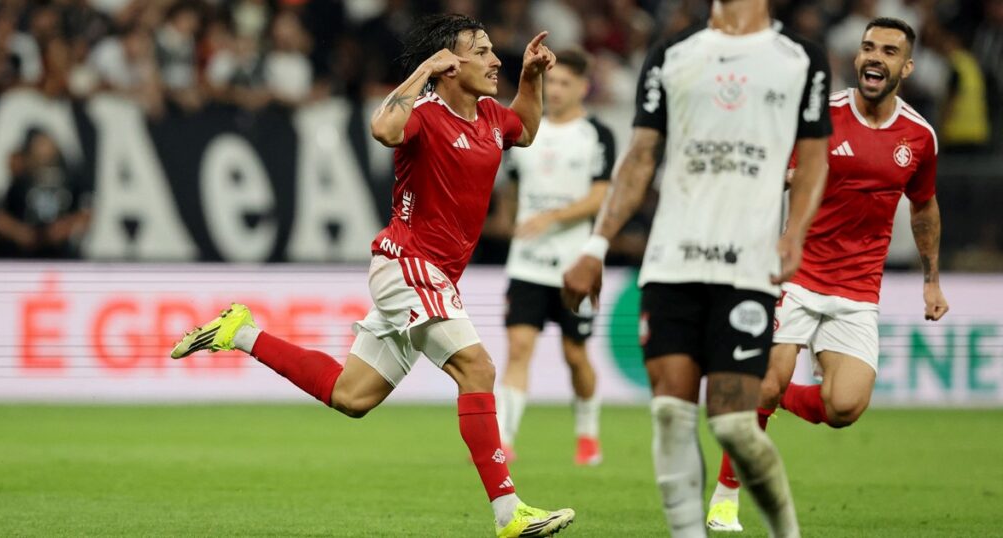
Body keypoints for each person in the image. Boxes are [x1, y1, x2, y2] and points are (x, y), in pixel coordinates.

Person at [170, 14, 575, 538]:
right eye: (480, 51)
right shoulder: (425, 113)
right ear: (450, 66)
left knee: (352, 396)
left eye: (493, 50)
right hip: (408, 264)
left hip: (434, 277)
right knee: (477, 370)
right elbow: (382, 127)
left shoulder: (493, 118)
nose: (495, 59)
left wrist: (532, 77)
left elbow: (528, 127)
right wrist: (424, 69)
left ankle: (240, 331)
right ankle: (508, 512)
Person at [562, 0, 832, 536]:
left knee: (734, 423)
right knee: (669, 415)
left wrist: (794, 234)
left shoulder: (801, 59)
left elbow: (814, 157)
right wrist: (596, 245)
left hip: (746, 267)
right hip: (672, 260)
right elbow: (641, 155)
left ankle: (786, 532)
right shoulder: (672, 54)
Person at [705, 17, 949, 532]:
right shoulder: (819, 117)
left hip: (858, 289)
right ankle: (726, 496)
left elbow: (923, 206)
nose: (873, 57)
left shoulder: (918, 137)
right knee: (768, 379)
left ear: (906, 66)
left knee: (843, 408)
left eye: (887, 50)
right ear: (857, 57)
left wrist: (931, 278)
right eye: (867, 48)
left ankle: (762, 394)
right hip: (795, 273)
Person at [495, 48, 615, 466]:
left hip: (573, 265)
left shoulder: (596, 134)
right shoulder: (526, 130)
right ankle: (505, 440)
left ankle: (587, 433)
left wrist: (551, 216)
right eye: (552, 82)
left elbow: (602, 195)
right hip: (526, 262)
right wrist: (511, 219)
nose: (557, 90)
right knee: (518, 347)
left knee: (575, 354)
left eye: (566, 83)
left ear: (583, 87)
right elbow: (510, 184)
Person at [0, 129, 91, 259]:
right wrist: (20, 233)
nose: (43, 150)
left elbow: (85, 213)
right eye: (39, 145)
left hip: (60, 254)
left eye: (46, 144)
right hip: (19, 255)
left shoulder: (70, 179)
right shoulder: (18, 178)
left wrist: (63, 228)